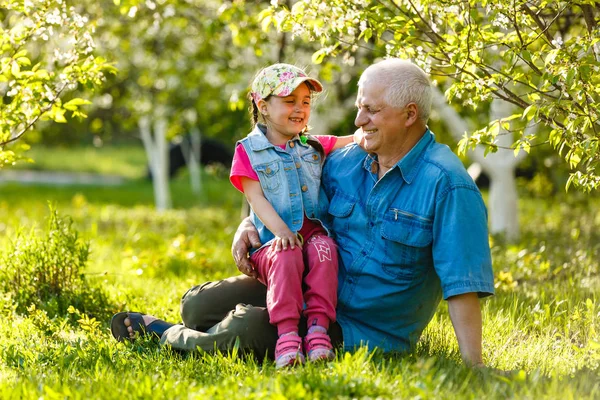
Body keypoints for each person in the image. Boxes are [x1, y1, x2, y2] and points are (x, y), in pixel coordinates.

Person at [111, 58, 494, 368]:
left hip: (357, 325)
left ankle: (164, 334)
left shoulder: (447, 184)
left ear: (410, 115)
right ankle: (206, 325)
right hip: (304, 281)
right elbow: (287, 194)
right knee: (198, 304)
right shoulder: (345, 161)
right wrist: (247, 223)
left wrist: (473, 365)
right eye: (360, 107)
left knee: (245, 328)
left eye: (371, 111)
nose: (359, 121)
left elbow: (463, 283)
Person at [230, 63, 355, 367]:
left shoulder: (312, 146)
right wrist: (282, 231)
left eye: (306, 102)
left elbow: (351, 141)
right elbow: (255, 198)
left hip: (312, 237)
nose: (300, 108)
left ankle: (317, 330)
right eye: (289, 101)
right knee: (286, 254)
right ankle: (287, 335)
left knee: (326, 250)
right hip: (272, 243)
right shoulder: (248, 151)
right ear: (263, 106)